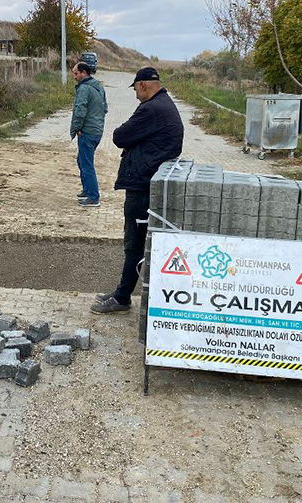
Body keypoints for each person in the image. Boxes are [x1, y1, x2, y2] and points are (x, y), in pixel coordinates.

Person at [91, 67, 184, 314]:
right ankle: (122, 292)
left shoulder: (152, 109)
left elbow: (120, 137)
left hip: (142, 184)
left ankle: (122, 298)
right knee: (136, 242)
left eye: (135, 90)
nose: (135, 95)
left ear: (143, 85)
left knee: (134, 244)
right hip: (148, 180)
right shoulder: (164, 104)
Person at [70, 62, 107, 207]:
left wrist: (77, 127)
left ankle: (93, 198)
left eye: (75, 73)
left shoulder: (84, 88)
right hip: (97, 131)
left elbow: (80, 109)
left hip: (87, 132)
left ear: (83, 73)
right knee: (81, 160)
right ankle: (87, 190)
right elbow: (105, 108)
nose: (74, 76)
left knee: (87, 165)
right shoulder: (98, 86)